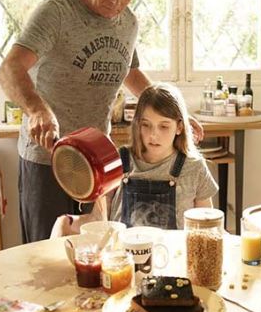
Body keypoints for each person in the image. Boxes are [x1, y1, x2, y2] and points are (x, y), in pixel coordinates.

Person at [0, 0, 203, 243]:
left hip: (99, 158)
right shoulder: (57, 14)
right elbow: (10, 68)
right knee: (45, 252)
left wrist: (176, 112)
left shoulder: (128, 23)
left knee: (96, 247)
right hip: (49, 157)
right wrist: (36, 109)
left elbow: (130, 71)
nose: (117, 0)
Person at [52, 83, 218, 235]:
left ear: (179, 127)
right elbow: (99, 219)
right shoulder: (118, 161)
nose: (153, 135)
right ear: (138, 124)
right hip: (123, 260)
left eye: (164, 126)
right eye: (146, 125)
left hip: (173, 258)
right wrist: (65, 224)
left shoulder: (194, 168)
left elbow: (208, 226)